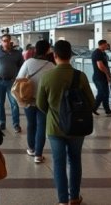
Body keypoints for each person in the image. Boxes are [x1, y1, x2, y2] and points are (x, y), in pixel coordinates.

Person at [36, 40, 94, 205]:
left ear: (54, 56)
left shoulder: (47, 77)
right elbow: (91, 101)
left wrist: (54, 112)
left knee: (59, 163)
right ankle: (74, 197)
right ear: (71, 56)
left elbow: (40, 104)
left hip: (55, 128)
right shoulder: (80, 76)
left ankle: (62, 200)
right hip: (77, 126)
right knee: (75, 160)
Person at [16, 39, 55, 163]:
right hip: (44, 102)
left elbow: (19, 79)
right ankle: (38, 155)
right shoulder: (51, 66)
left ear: (35, 49)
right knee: (41, 127)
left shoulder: (28, 62)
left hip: (29, 99)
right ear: (48, 50)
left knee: (31, 125)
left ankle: (31, 149)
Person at [0, 33, 25, 132]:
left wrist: (18, 76)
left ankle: (16, 124)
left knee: (14, 104)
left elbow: (22, 66)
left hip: (12, 82)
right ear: (1, 42)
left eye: (7, 41)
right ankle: (2, 122)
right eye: (4, 41)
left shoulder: (17, 53)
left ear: (10, 41)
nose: (6, 43)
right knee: (0, 103)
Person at [91, 39, 111, 116]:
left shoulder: (103, 53)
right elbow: (100, 66)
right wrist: (107, 75)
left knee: (105, 94)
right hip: (99, 77)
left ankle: (107, 111)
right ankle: (93, 108)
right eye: (105, 45)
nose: (107, 46)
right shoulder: (97, 53)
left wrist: (109, 73)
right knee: (102, 94)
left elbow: (105, 65)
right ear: (101, 45)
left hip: (102, 77)